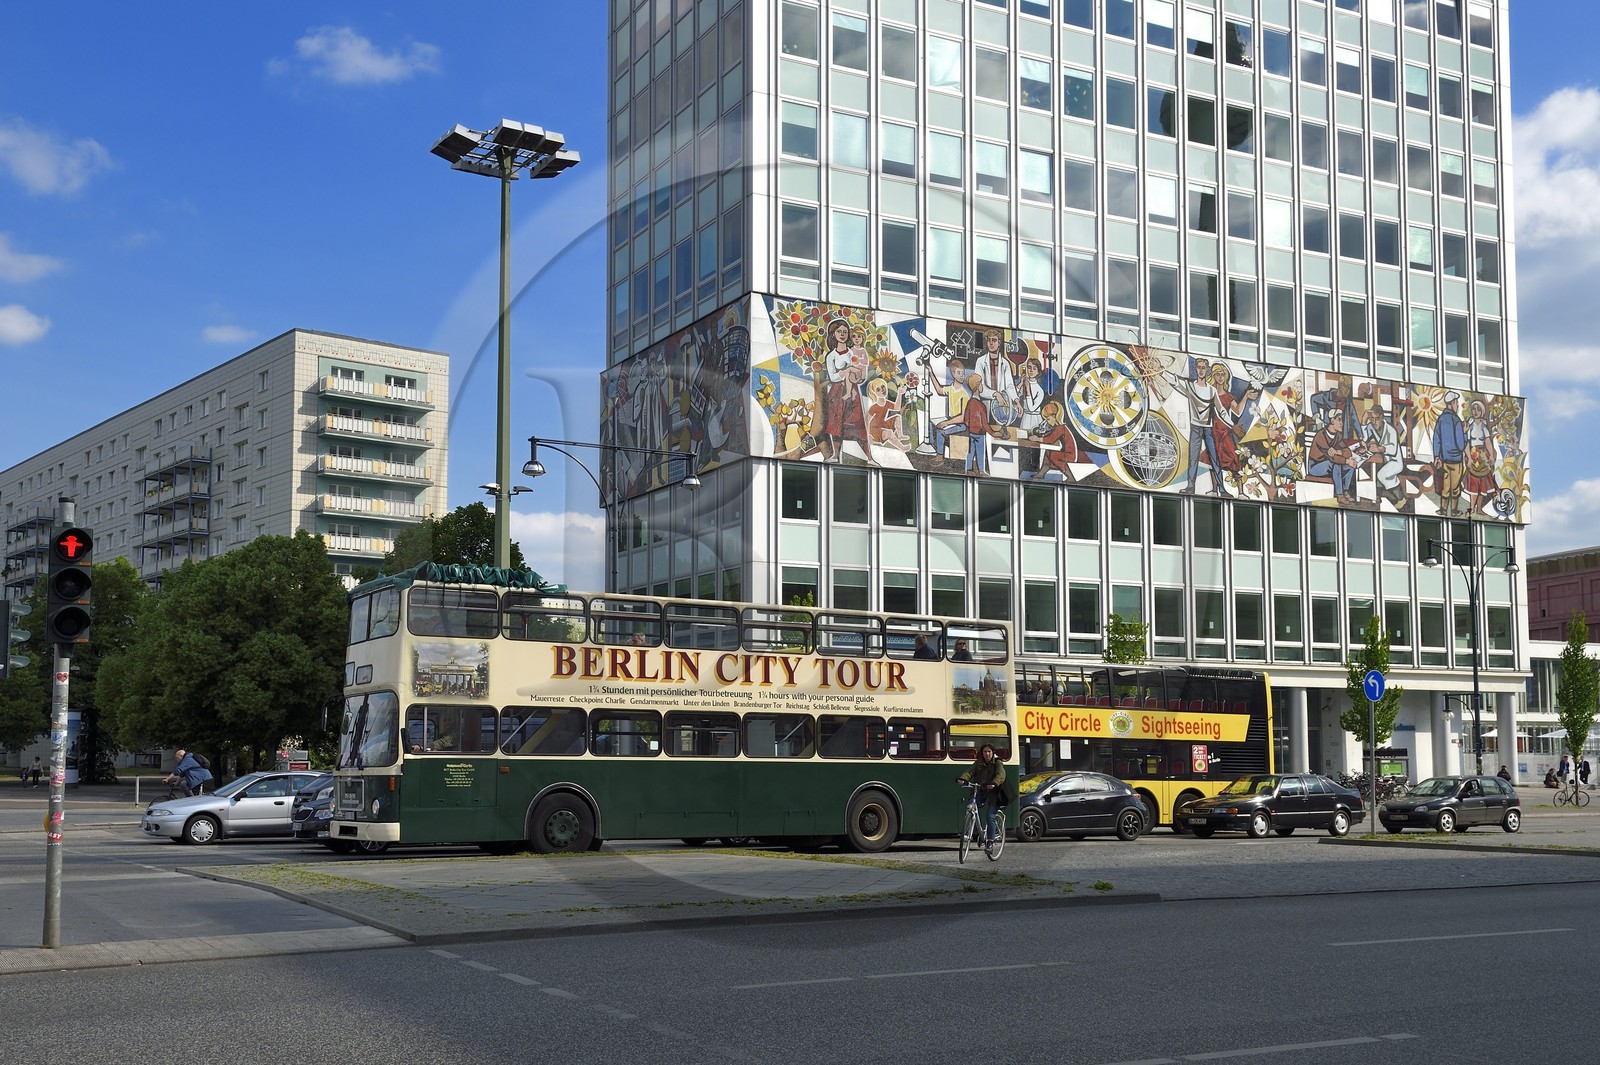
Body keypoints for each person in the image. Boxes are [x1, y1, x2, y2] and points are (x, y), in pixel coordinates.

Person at [957, 743, 1007, 845]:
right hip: (981, 791)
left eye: (989, 751)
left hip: (994, 793)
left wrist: (994, 783)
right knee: (971, 807)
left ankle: (990, 842)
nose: (987, 754)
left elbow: (1001, 774)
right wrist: (963, 778)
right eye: (985, 752)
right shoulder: (979, 762)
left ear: (993, 753)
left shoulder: (998, 762)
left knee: (990, 816)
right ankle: (976, 833)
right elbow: (969, 772)